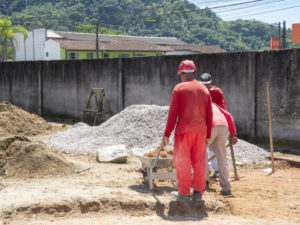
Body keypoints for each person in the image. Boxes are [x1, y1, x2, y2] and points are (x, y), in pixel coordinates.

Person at [160, 59, 213, 201]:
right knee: (200, 161)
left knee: (183, 161)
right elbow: (210, 115)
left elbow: (173, 114)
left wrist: (166, 134)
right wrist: (208, 135)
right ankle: (198, 193)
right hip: (201, 131)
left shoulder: (179, 89)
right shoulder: (204, 90)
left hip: (184, 131)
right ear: (194, 72)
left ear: (182, 73)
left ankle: (184, 193)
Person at [205, 102, 238, 196]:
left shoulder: (199, 102)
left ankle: (204, 182)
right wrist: (233, 134)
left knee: (201, 153)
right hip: (223, 127)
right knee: (222, 157)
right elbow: (228, 115)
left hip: (211, 126)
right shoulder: (214, 104)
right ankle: (226, 188)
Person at [200, 73, 227, 179]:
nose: (205, 86)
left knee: (215, 148)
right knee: (204, 148)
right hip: (204, 124)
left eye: (207, 84)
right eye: (203, 84)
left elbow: (223, 108)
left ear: (211, 82)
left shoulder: (217, 92)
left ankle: (216, 170)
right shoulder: (199, 92)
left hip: (215, 123)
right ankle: (206, 173)